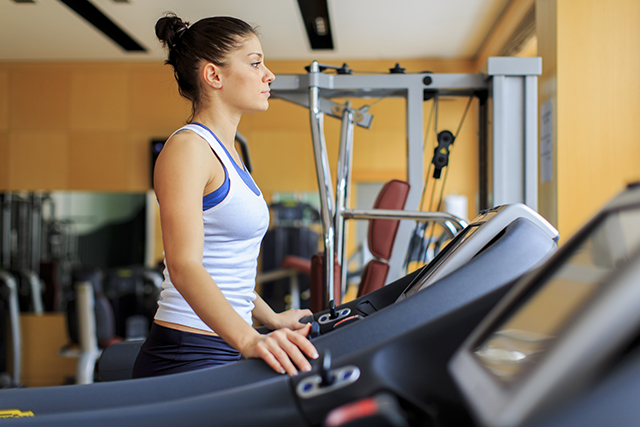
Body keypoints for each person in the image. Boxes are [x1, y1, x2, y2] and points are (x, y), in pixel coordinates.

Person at [132, 14, 318, 379]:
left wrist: (272, 319)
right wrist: (249, 340)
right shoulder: (188, 149)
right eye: (255, 63)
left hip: (222, 341)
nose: (269, 75)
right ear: (214, 76)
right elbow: (185, 267)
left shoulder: (228, 153)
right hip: (188, 352)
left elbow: (228, 272)